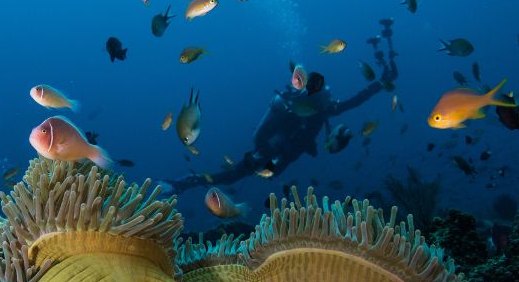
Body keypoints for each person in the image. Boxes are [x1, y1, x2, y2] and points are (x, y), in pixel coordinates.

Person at [169, 25, 399, 194]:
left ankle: (189, 181)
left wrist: (380, 84)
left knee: (241, 174)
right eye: (325, 94)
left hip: (282, 151)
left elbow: (355, 101)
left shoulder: (321, 108)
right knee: (239, 173)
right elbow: (353, 101)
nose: (328, 97)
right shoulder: (307, 106)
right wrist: (379, 84)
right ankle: (186, 182)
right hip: (274, 148)